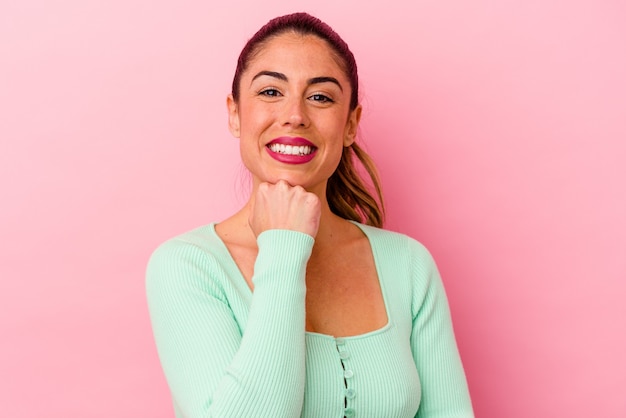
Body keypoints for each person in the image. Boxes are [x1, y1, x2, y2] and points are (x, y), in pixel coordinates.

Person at [146, 12, 474, 418]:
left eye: (320, 97)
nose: (295, 114)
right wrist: (283, 247)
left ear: (351, 124)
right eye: (270, 92)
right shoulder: (187, 266)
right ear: (235, 114)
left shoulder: (408, 265)